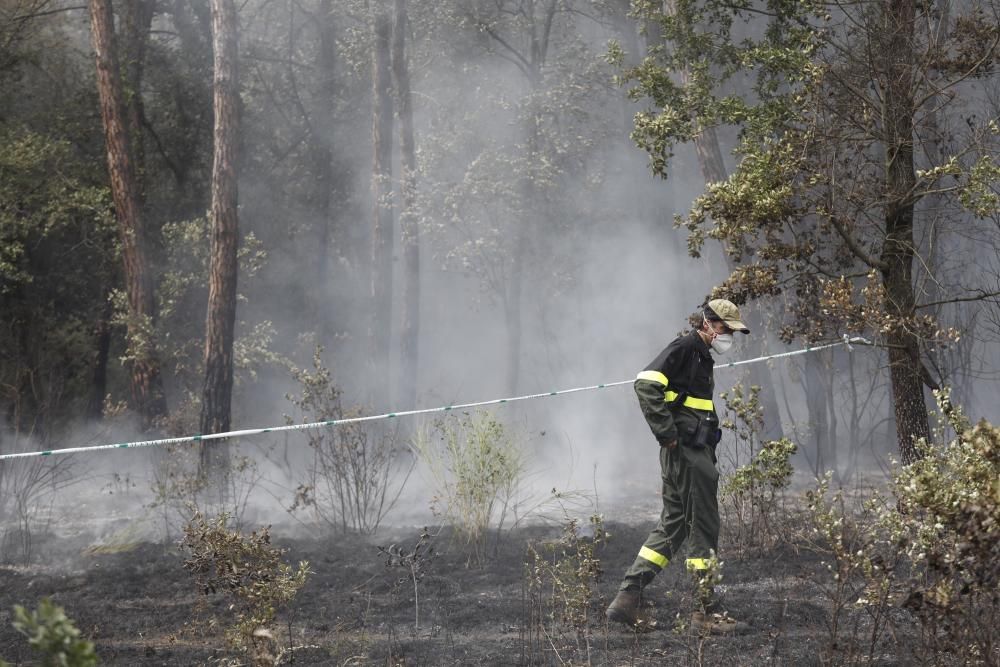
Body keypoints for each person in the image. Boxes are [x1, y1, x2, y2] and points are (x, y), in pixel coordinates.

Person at [606, 298, 750, 634]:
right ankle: (706, 611)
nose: (728, 335)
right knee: (703, 523)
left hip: (688, 450)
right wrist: (666, 433)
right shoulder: (686, 347)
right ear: (706, 323)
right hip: (687, 451)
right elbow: (645, 383)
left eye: (731, 330)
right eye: (724, 328)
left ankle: (628, 596)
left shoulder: (700, 354)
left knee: (675, 523)